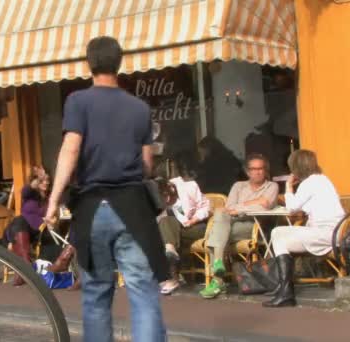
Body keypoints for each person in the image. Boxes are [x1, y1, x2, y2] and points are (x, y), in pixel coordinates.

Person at [44, 36, 167, 342]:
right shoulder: (139, 108)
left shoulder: (78, 101)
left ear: (90, 63)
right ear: (119, 63)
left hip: (92, 209)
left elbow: (71, 150)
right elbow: (147, 164)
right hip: (133, 209)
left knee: (97, 294)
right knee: (143, 292)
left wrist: (53, 200)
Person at [263, 150, 345, 308]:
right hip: (333, 232)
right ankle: (284, 288)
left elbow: (292, 208)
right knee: (278, 233)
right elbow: (309, 206)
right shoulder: (322, 180)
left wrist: (288, 187)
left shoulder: (309, 183)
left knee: (278, 234)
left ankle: (285, 291)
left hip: (325, 234)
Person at [200, 153, 279, 299]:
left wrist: (240, 208)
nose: (257, 172)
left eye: (261, 168)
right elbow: (229, 208)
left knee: (215, 235)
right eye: (253, 169)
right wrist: (252, 204)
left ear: (266, 170)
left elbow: (264, 206)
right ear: (248, 171)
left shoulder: (272, 186)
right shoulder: (238, 186)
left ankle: (217, 280)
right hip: (233, 224)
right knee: (220, 214)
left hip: (254, 226)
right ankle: (218, 269)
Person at [158, 156, 210, 295]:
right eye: (163, 196)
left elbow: (205, 208)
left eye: (168, 194)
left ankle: (172, 277)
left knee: (167, 235)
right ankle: (170, 251)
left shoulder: (190, 187)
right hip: (175, 231)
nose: (167, 199)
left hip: (196, 227)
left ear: (171, 188)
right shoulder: (160, 200)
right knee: (165, 223)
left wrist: (193, 220)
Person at [2, 166, 51, 286]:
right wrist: (37, 179)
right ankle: (27, 266)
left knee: (18, 222)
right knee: (20, 221)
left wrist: (49, 219)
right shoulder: (29, 194)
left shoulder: (50, 199)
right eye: (42, 180)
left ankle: (24, 271)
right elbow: (26, 189)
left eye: (47, 180)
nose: (45, 182)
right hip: (21, 229)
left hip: (37, 232)